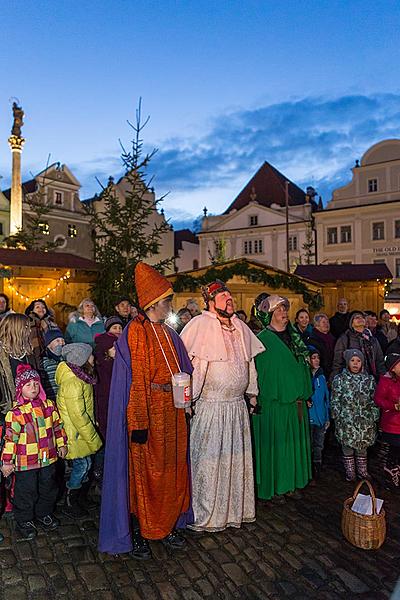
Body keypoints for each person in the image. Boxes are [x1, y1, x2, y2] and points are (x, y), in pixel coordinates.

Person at [99, 262, 193, 558]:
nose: (169, 305)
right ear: (154, 303)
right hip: (149, 415)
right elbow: (136, 380)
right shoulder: (137, 333)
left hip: (173, 412)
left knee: (170, 470)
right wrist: (138, 421)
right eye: (166, 301)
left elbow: (180, 367)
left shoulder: (166, 331)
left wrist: (185, 401)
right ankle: (141, 529)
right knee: (145, 474)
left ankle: (167, 524)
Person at [181, 280, 264, 532]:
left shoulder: (239, 326)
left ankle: (233, 511)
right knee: (209, 463)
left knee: (235, 461)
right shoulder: (200, 325)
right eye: (224, 296)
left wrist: (252, 393)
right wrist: (188, 401)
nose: (230, 299)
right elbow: (196, 367)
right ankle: (206, 514)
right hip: (212, 407)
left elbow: (249, 363)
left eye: (230, 296)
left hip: (237, 408)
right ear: (210, 301)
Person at [253, 295, 312, 503]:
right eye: (278, 310)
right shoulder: (261, 340)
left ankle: (291, 484)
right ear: (269, 314)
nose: (283, 313)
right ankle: (276, 486)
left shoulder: (295, 337)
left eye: (285, 309)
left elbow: (304, 366)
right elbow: (257, 373)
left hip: (295, 403)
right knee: (275, 447)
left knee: (293, 444)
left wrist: (306, 393)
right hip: (272, 404)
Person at [1, 364, 67, 539]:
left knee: (48, 487)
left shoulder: (49, 406)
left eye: (36, 384)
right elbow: (10, 440)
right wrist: (7, 462)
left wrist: (61, 444)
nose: (33, 388)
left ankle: (43, 513)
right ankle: (24, 519)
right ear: (20, 389)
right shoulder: (16, 414)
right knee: (26, 491)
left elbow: (58, 427)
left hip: (48, 459)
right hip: (26, 462)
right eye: (28, 385)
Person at [56, 343, 102, 518]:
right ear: (81, 360)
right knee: (81, 466)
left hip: (80, 432)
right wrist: (92, 438)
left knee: (86, 465)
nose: (93, 359)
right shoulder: (73, 383)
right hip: (76, 433)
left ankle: (80, 497)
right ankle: (70, 500)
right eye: (90, 356)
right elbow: (78, 416)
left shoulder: (80, 378)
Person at [331, 349, 379, 481]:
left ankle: (362, 471)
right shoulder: (340, 379)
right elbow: (335, 399)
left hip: (365, 421)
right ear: (347, 363)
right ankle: (350, 472)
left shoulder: (368, 380)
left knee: (362, 447)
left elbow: (374, 398)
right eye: (352, 361)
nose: (355, 364)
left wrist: (374, 415)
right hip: (346, 420)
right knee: (347, 446)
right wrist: (336, 415)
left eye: (358, 361)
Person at [94, 316, 123, 469]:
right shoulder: (105, 347)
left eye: (120, 328)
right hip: (106, 397)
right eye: (114, 328)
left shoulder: (121, 348)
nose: (118, 331)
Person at [331, 311, 385, 382]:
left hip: (370, 380)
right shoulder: (344, 339)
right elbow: (337, 363)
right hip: (349, 381)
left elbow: (379, 361)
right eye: (357, 317)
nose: (360, 319)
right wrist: (335, 380)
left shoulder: (372, 340)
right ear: (351, 323)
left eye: (362, 317)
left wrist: (383, 378)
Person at [374, 354, 400, 491]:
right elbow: (378, 399)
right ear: (393, 368)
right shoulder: (386, 381)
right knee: (393, 452)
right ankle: (390, 476)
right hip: (392, 424)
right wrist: (393, 406)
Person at [307, 348, 330, 481]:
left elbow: (326, 398)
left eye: (317, 357)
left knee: (318, 444)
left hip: (320, 417)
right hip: (309, 417)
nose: (316, 360)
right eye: (313, 358)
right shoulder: (305, 376)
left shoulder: (321, 377)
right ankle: (309, 467)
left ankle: (317, 466)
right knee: (309, 442)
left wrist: (327, 417)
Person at [25, 299, 58, 370]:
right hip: (36, 360)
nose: (41, 309)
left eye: (43, 307)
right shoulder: (29, 323)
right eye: (37, 307)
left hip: (52, 358)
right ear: (31, 310)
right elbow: (33, 346)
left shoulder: (51, 323)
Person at [308, 313, 336, 380]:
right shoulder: (312, 340)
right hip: (320, 374)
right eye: (323, 322)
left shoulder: (333, 338)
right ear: (316, 325)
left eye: (327, 322)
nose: (326, 324)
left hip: (333, 372)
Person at [41, 329, 65, 402]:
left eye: (63, 340)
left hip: (64, 397)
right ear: (48, 344)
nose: (61, 343)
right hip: (52, 398)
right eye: (57, 341)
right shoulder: (44, 361)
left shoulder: (65, 358)